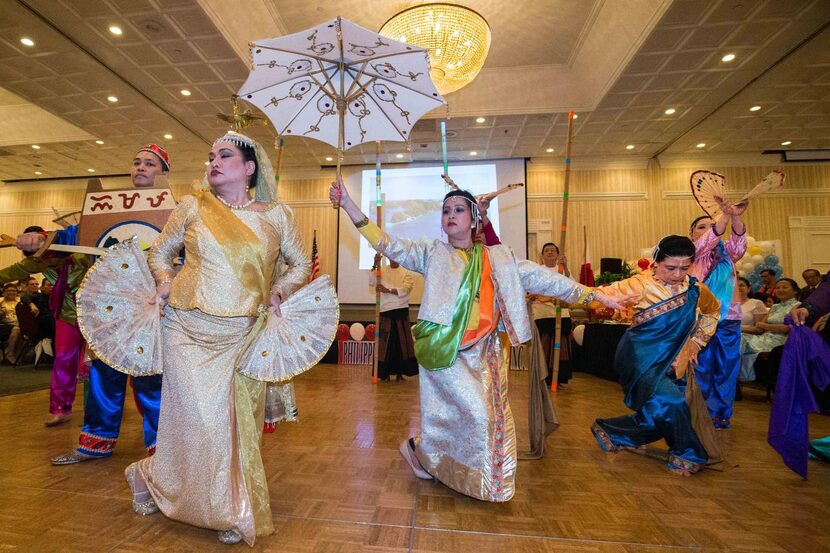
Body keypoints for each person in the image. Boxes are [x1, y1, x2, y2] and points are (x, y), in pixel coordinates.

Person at [329, 176, 631, 502]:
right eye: (446, 210)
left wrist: (594, 296)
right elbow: (385, 243)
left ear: (474, 219)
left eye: (459, 209)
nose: (451, 214)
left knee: (477, 417)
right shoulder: (432, 253)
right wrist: (347, 204)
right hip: (444, 350)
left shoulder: (498, 258)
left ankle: (427, 453)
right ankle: (446, 463)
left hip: (485, 350)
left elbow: (545, 279)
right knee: (475, 416)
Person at [122, 131, 310, 545]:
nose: (213, 162)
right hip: (186, 327)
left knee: (234, 427)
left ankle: (219, 503)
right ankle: (194, 494)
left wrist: (279, 291)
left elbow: (299, 266)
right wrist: (166, 280)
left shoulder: (278, 214)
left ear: (249, 168)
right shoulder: (192, 206)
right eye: (210, 156)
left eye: (225, 155)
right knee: (197, 423)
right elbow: (159, 253)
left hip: (244, 333)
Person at [49, 144, 171, 464]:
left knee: (150, 378)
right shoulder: (105, 211)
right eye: (136, 162)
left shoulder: (176, 212)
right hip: (111, 309)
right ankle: (95, 441)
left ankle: (162, 448)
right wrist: (43, 239)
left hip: (151, 308)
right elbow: (74, 236)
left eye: (149, 163)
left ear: (163, 173)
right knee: (104, 373)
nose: (141, 167)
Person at [592, 235, 722, 476]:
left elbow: (713, 311)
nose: (677, 274)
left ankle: (612, 431)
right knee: (672, 402)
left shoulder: (695, 289)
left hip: (674, 360)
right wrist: (606, 300)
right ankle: (687, 452)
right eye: (670, 268)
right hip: (640, 359)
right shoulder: (639, 285)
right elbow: (593, 297)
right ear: (656, 262)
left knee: (660, 411)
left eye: (685, 268)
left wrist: (696, 341)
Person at [2, 226, 91, 424]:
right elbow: (8, 273)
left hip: (95, 314)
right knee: (63, 359)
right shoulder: (36, 263)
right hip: (67, 315)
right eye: (37, 258)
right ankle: (60, 408)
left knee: (93, 363)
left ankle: (94, 409)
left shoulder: (81, 254)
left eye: (45, 255)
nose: (43, 261)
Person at [689, 203, 747, 429]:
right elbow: (710, 240)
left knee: (727, 367)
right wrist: (723, 217)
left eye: (710, 226)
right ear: (692, 233)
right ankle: (700, 411)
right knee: (701, 365)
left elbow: (739, 245)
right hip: (701, 316)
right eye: (701, 226)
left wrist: (736, 217)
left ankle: (721, 414)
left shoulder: (727, 253)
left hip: (729, 318)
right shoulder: (694, 250)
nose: (708, 229)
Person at [528, 242, 573, 386]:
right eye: (546, 250)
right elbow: (532, 290)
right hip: (543, 313)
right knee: (545, 344)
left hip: (561, 313)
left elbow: (570, 288)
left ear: (558, 255)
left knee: (561, 347)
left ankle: (559, 378)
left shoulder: (562, 270)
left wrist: (565, 266)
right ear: (541, 256)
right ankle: (544, 377)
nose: (549, 252)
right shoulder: (537, 270)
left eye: (553, 250)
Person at [370, 258, 417, 381]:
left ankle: (400, 373)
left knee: (401, 343)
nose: (393, 260)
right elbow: (372, 282)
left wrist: (388, 290)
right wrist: (375, 264)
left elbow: (406, 289)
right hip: (385, 310)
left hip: (400, 310)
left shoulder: (406, 272)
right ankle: (384, 373)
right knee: (385, 343)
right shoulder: (382, 270)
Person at [741, 278, 801, 364]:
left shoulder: (798, 305)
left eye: (784, 287)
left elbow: (788, 328)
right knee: (734, 338)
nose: (780, 290)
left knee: (737, 343)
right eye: (778, 288)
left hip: (781, 341)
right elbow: (759, 327)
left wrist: (765, 326)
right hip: (764, 337)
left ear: (795, 291)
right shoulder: (775, 306)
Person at [736, 276, 768, 382]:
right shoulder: (727, 304)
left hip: (749, 337)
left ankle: (734, 379)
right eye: (735, 285)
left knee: (735, 340)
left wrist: (735, 329)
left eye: (742, 285)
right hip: (730, 335)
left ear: (748, 289)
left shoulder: (756, 303)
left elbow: (759, 329)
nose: (738, 287)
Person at [0, 283, 22, 364]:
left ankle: (17, 355)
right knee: (16, 329)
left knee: (20, 329)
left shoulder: (20, 300)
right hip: (4, 325)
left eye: (14, 291)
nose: (12, 292)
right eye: (9, 290)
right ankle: (10, 354)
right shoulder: (0, 301)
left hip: (20, 324)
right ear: (4, 292)